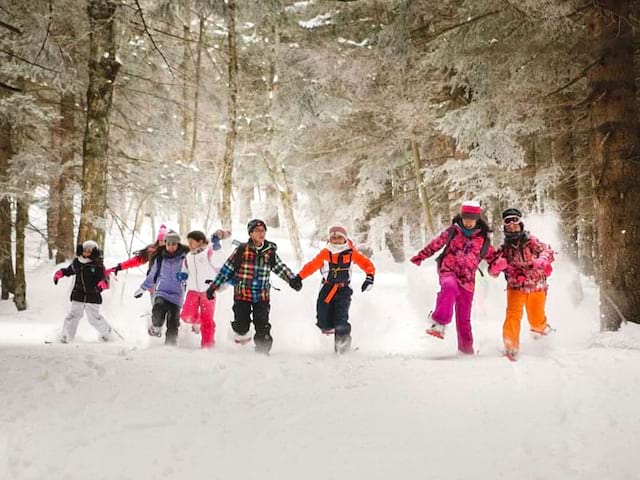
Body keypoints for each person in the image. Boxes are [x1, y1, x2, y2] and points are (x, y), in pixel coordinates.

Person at [410, 201, 496, 355]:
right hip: (448, 271)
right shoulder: (452, 232)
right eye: (465, 218)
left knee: (464, 319)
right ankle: (439, 323)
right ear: (461, 217)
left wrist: (501, 267)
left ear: (477, 219)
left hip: (468, 280)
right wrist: (420, 257)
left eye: (472, 218)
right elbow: (435, 245)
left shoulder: (483, 240)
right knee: (449, 287)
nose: (468, 222)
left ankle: (466, 351)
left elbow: (494, 259)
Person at [205, 219, 300, 355]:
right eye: (257, 230)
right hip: (242, 295)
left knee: (263, 326)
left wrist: (292, 279)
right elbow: (226, 269)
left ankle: (262, 353)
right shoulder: (242, 250)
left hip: (262, 296)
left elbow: (280, 268)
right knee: (241, 327)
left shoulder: (270, 252)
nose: (261, 233)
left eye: (263, 230)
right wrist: (214, 286)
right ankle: (238, 333)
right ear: (250, 233)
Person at [290, 226, 375, 354]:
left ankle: (343, 348)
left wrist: (369, 277)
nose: (336, 240)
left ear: (345, 239)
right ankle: (331, 328)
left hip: (343, 290)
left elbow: (367, 264)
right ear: (329, 239)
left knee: (341, 320)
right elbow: (312, 266)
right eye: (333, 238)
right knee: (323, 321)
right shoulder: (325, 253)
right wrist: (299, 277)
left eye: (340, 237)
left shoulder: (351, 253)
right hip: (327, 289)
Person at [488, 208, 555, 361]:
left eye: (515, 220)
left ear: (520, 222)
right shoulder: (504, 249)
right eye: (508, 222)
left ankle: (541, 331)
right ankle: (510, 345)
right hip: (515, 287)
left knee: (536, 319)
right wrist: (498, 265)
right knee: (513, 315)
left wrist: (542, 260)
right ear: (504, 226)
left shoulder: (531, 241)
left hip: (536, 285)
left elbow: (547, 251)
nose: (512, 225)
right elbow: (492, 271)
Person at [134, 231, 188, 345]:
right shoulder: (160, 258)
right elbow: (152, 276)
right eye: (169, 244)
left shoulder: (185, 258)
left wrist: (186, 276)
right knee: (158, 308)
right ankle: (155, 327)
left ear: (178, 244)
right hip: (161, 292)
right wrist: (142, 289)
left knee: (173, 321)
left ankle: (170, 345)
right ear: (165, 244)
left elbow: (192, 272)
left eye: (174, 244)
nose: (171, 246)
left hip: (177, 294)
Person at [53, 240, 114, 343]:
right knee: (73, 316)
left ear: (94, 252)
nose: (86, 253)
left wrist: (102, 284)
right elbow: (69, 270)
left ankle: (107, 334)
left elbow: (104, 278)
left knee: (94, 319)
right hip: (78, 294)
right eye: (84, 250)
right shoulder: (78, 262)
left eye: (89, 251)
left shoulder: (98, 265)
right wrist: (61, 273)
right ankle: (66, 336)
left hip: (93, 295)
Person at [180, 229, 230, 348]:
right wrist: (183, 274)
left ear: (200, 241)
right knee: (187, 316)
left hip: (208, 291)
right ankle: (197, 322)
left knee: (207, 320)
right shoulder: (188, 256)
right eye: (189, 242)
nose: (190, 245)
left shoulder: (209, 251)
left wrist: (217, 246)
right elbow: (185, 269)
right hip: (192, 290)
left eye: (191, 242)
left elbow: (219, 261)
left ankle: (208, 344)